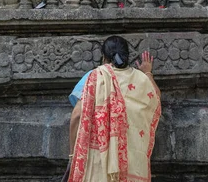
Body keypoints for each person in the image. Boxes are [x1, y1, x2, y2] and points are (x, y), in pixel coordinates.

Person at [67, 36, 161, 182]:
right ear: (127, 56)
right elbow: (155, 97)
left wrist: (73, 155)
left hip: (98, 163)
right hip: (132, 166)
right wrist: (147, 72)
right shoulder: (141, 80)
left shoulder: (95, 76)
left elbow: (77, 116)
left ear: (104, 57)